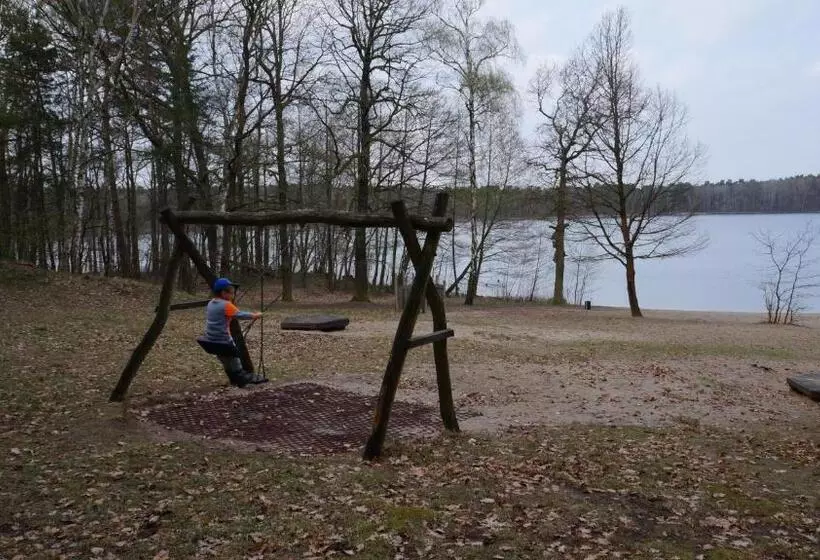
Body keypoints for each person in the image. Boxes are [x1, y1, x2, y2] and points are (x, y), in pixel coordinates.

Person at [203, 277, 267, 387]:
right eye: (231, 293)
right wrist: (255, 315)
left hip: (211, 339)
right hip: (224, 339)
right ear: (223, 293)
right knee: (235, 360)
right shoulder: (226, 305)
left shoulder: (211, 303)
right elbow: (240, 314)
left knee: (226, 361)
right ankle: (242, 382)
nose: (233, 296)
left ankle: (233, 380)